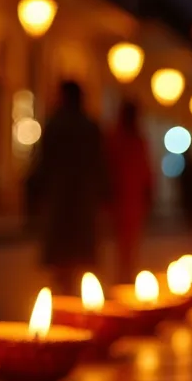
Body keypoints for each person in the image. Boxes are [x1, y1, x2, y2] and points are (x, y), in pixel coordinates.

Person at [26, 81, 108, 293]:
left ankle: (64, 289)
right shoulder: (89, 126)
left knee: (62, 245)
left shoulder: (56, 124)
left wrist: (36, 190)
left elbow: (44, 161)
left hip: (61, 192)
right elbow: (99, 162)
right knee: (76, 245)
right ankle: (69, 289)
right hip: (82, 194)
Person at [105, 100, 152, 281]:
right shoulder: (120, 138)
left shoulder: (133, 139)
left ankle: (126, 275)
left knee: (128, 240)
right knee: (123, 240)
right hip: (123, 196)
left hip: (131, 197)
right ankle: (123, 275)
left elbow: (145, 169)